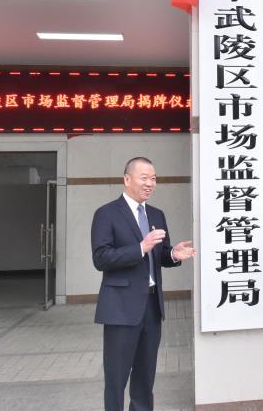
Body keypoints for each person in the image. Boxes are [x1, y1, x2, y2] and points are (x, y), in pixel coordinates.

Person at [91, 157, 195, 411]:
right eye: (144, 178)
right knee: (116, 379)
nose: (150, 183)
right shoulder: (106, 214)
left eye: (154, 178)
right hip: (120, 309)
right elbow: (101, 258)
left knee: (145, 378)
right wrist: (140, 247)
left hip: (151, 307)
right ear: (127, 180)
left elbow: (159, 255)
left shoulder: (156, 214)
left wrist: (172, 255)